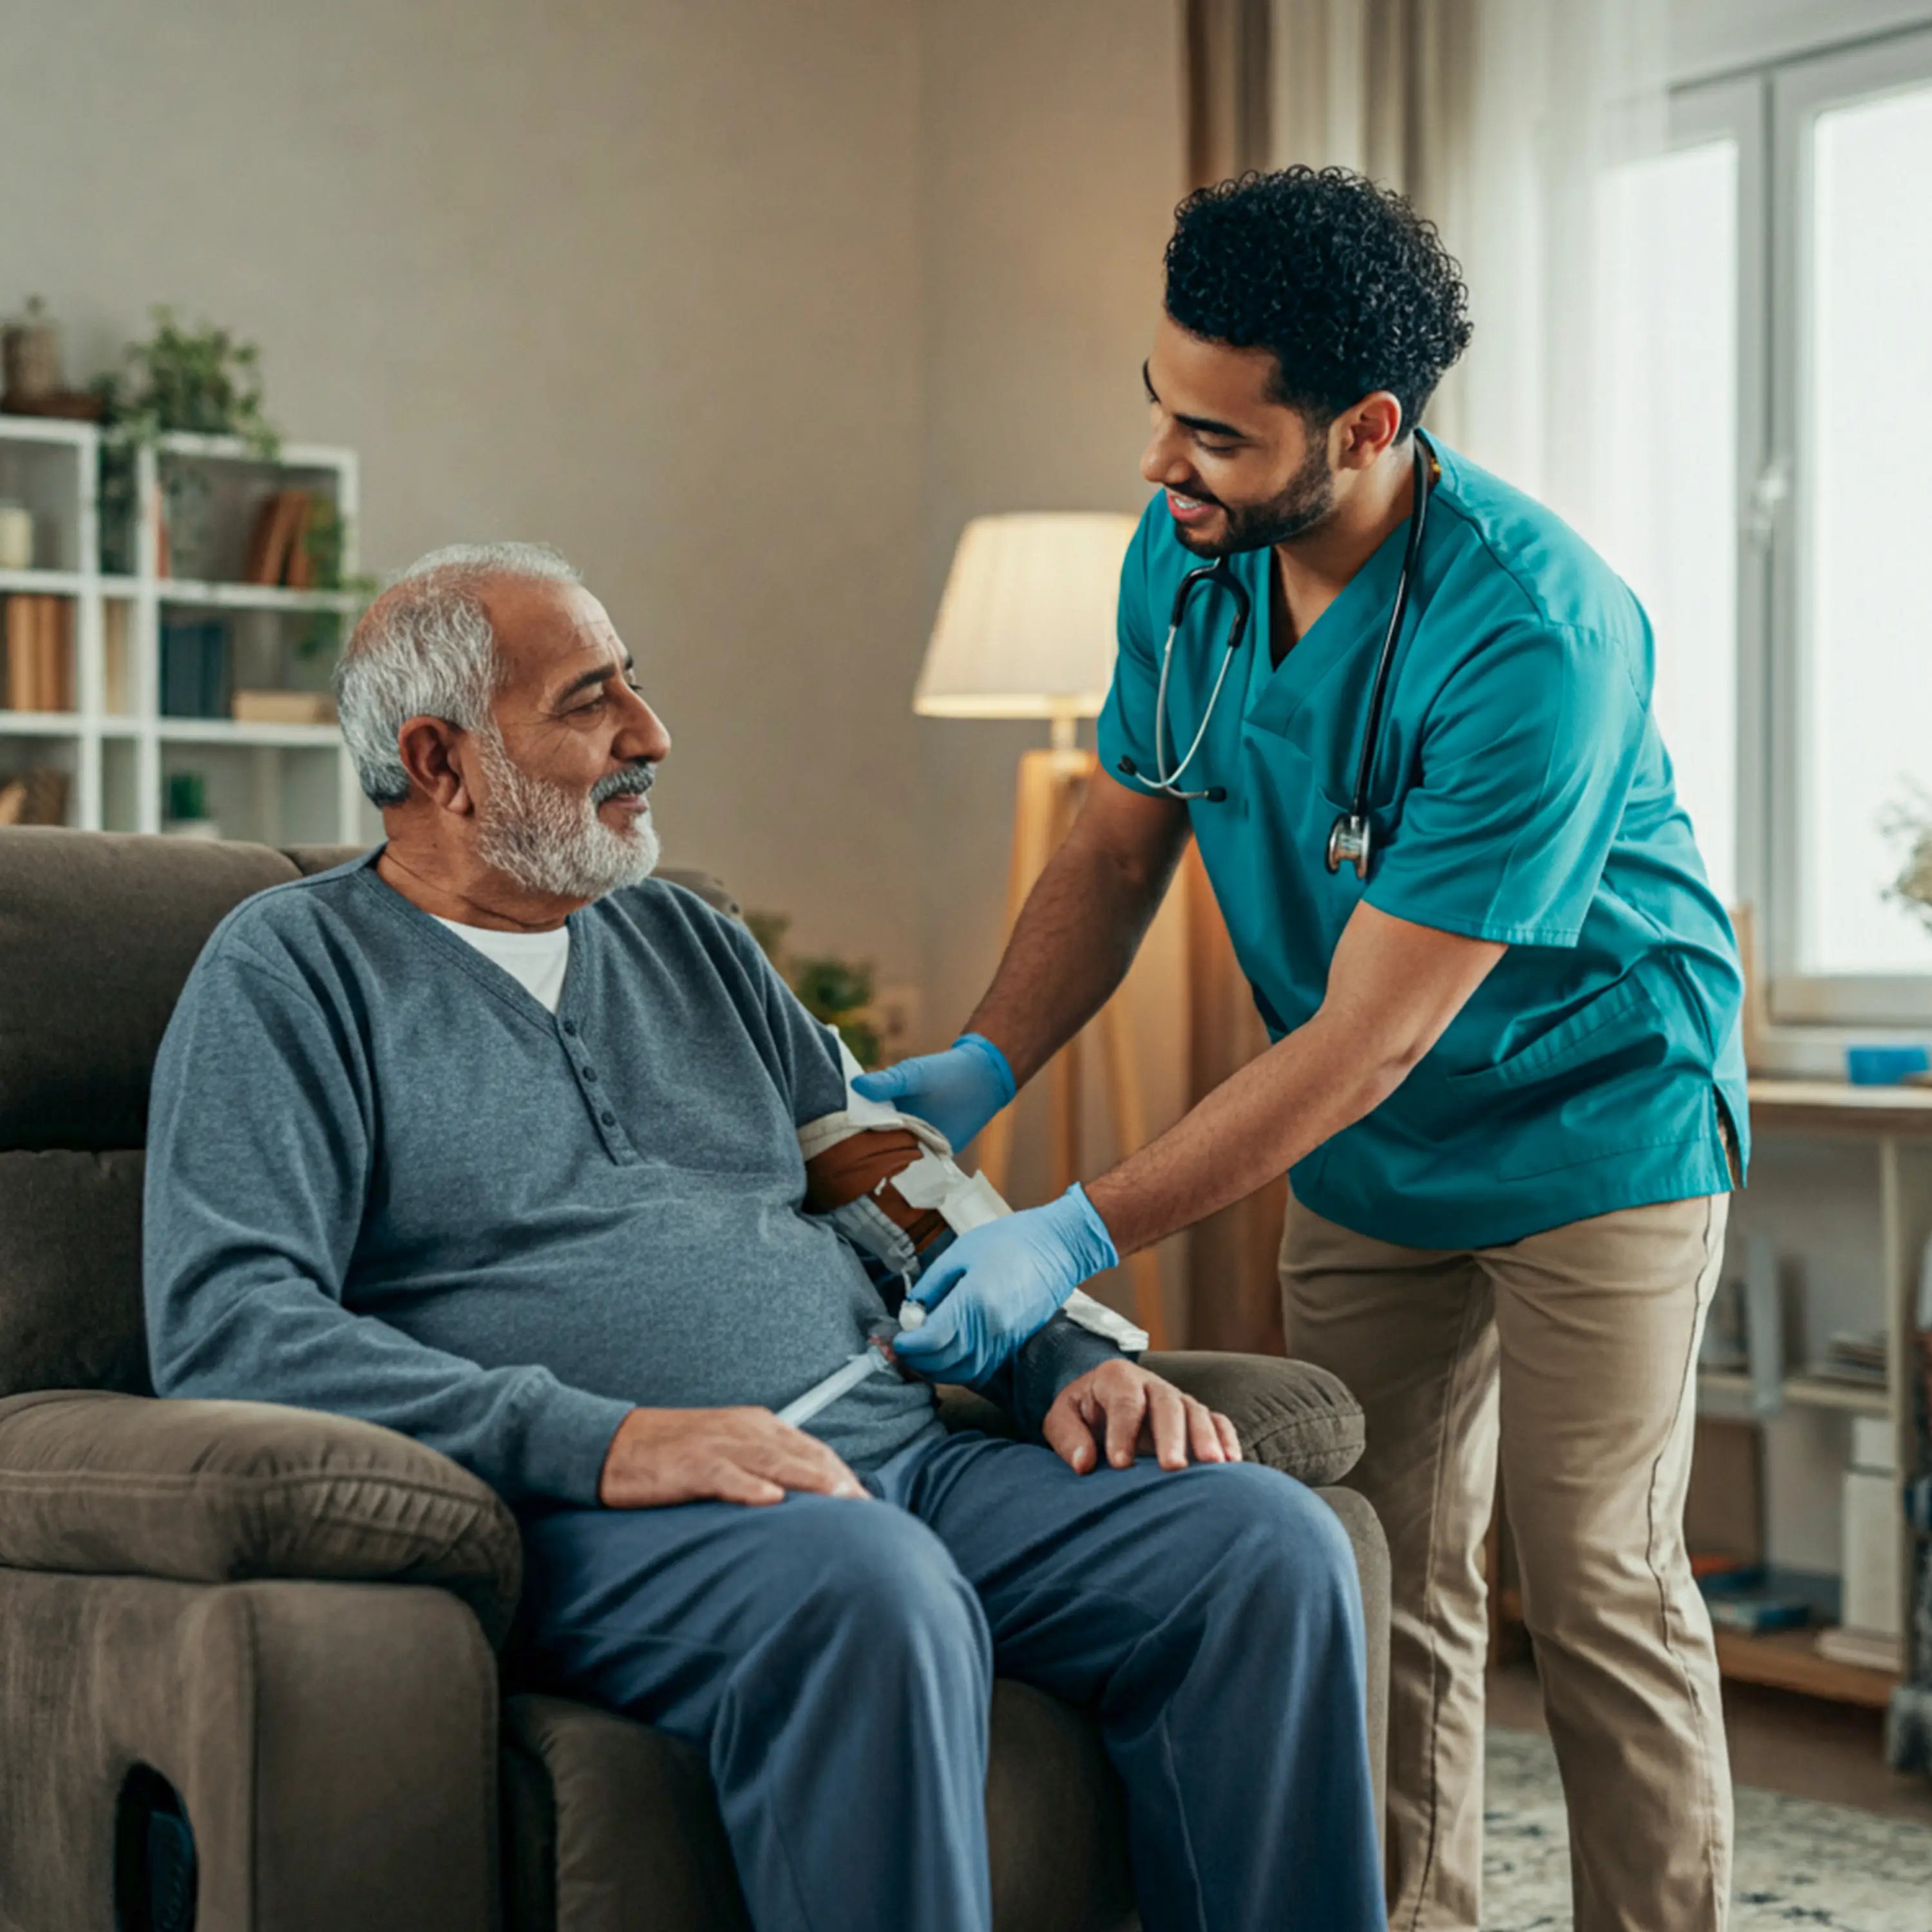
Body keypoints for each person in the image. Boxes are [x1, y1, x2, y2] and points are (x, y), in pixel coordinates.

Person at [142, 542, 1385, 1932]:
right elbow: (235, 1329)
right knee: (871, 1588)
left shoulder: (687, 939)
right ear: (441, 763)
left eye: (637, 684)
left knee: (1265, 1548)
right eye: (589, 702)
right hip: (614, 1522)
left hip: (905, 1462)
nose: (650, 735)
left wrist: (1056, 1352)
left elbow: (878, 1169)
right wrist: (606, 1443)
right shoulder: (291, 971)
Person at [860, 167, 1748, 1932]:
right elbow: (1118, 850)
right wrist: (981, 1065)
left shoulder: (1536, 634)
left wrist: (1081, 1229)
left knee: (1593, 1581)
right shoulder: (1190, 559)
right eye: (1158, 414)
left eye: (1215, 436)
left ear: (1365, 427)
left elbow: (1367, 1036)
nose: (1161, 468)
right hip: (1369, 1154)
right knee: (1394, 1564)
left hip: (1599, 1116)